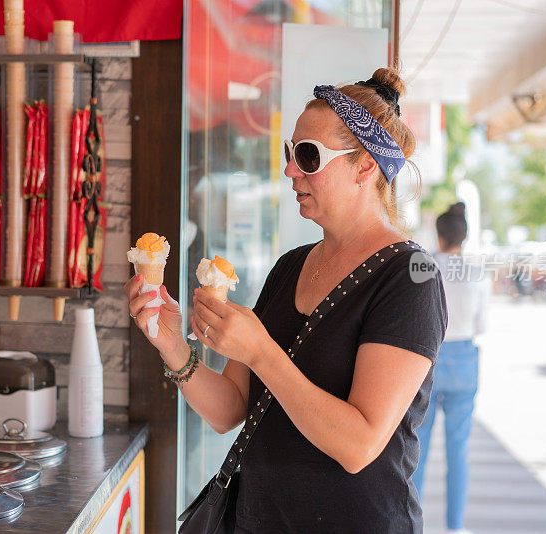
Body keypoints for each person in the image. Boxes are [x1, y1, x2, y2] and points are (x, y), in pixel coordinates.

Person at [124, 68, 447, 533]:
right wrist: (173, 345)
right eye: (290, 152)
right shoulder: (291, 266)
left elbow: (359, 445)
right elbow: (230, 408)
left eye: (309, 156)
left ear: (365, 166)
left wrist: (259, 349)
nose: (290, 170)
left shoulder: (410, 279)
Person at [414, 202, 489, 534]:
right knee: (459, 450)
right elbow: (482, 324)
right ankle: (455, 527)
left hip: (426, 360)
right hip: (464, 361)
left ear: (438, 234)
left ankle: (411, 523)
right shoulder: (475, 270)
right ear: (465, 236)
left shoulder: (421, 264)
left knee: (416, 449)